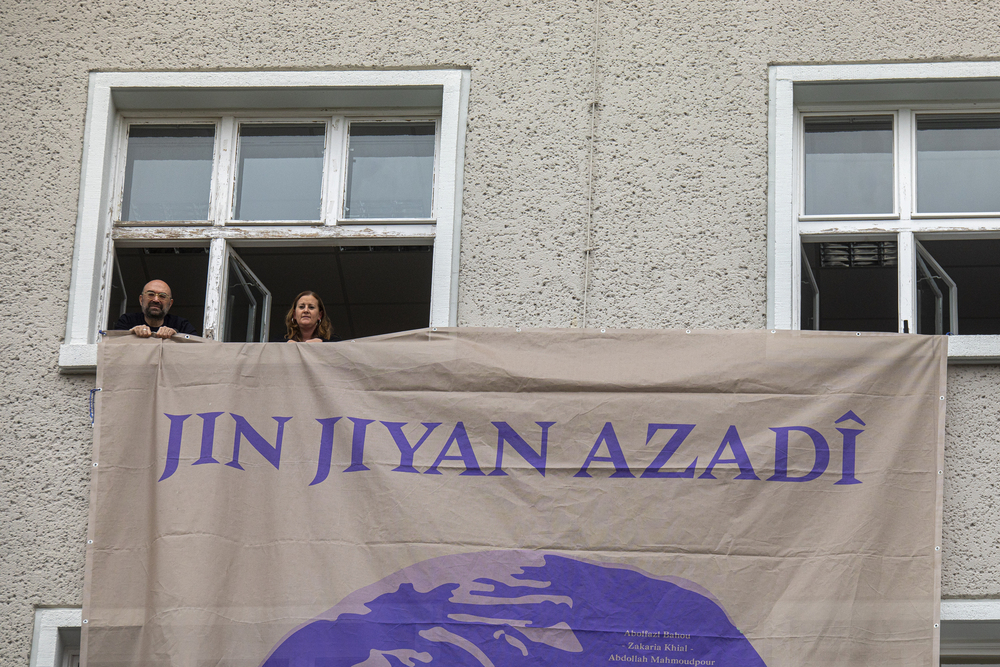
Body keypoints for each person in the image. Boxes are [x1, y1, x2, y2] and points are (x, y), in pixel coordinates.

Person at [113, 279, 199, 339]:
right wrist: (131, 333)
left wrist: (176, 336)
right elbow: (114, 345)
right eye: (151, 294)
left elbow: (196, 348)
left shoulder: (182, 325)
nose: (156, 300)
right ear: (141, 300)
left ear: (170, 303)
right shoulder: (127, 321)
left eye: (162, 296)